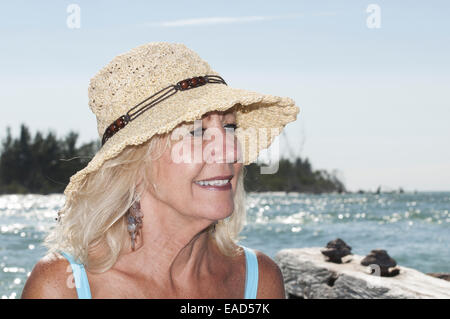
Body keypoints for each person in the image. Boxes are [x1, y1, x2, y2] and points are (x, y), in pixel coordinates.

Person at [21, 42, 300, 299]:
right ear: (133, 161)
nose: (229, 149)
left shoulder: (258, 280)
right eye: (197, 131)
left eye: (229, 127)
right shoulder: (62, 286)